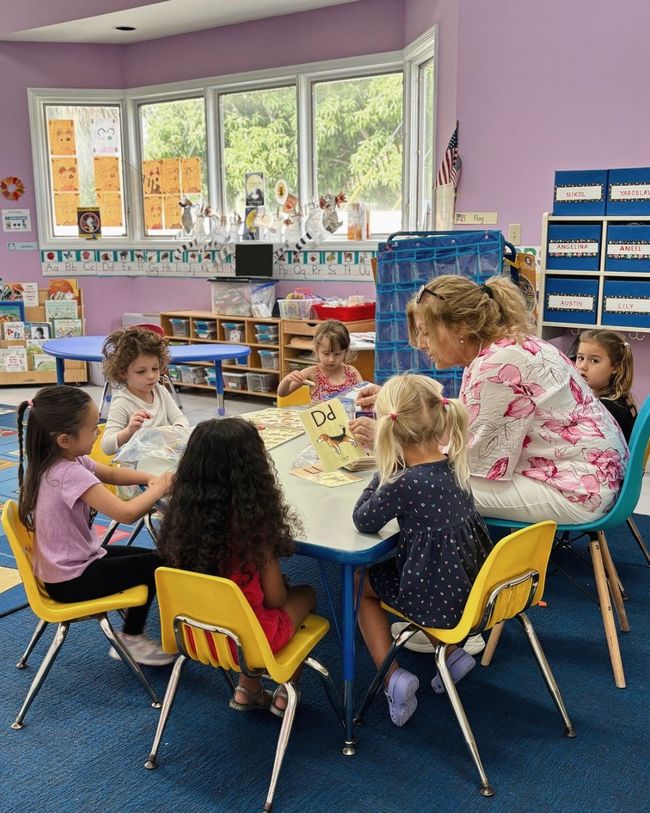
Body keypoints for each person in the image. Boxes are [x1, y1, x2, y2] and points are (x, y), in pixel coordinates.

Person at [351, 274, 628, 525]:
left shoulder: (495, 366)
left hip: (579, 490)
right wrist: (401, 405)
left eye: (427, 332)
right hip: (598, 477)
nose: (422, 344)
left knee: (422, 487)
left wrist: (393, 436)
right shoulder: (512, 346)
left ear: (459, 328)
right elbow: (471, 421)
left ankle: (430, 569)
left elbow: (467, 461)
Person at [352, 375, 493, 727]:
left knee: (359, 583)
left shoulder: (402, 482)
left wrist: (384, 471)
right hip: (474, 590)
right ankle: (454, 655)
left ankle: (393, 678)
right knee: (433, 571)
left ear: (389, 431)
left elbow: (363, 519)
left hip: (436, 602)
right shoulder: (455, 466)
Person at [157, 417, 316, 716]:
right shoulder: (254, 528)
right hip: (249, 640)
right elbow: (276, 599)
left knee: (244, 604)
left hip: (194, 633)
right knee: (306, 594)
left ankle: (248, 689)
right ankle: (285, 691)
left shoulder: (181, 519)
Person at [17, 385, 174, 666]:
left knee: (154, 559)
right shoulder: (69, 474)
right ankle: (132, 637)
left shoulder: (58, 460)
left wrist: (149, 477)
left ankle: (133, 633)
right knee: (155, 567)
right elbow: (126, 514)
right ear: (64, 439)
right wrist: (159, 487)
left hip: (68, 567)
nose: (98, 432)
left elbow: (111, 473)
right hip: (72, 580)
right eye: (92, 429)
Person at [101, 327, 189, 455]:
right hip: (137, 466)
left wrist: (176, 430)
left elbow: (180, 418)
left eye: (155, 368)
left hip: (162, 457)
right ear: (123, 373)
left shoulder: (160, 391)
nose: (151, 376)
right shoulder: (122, 402)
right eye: (141, 371)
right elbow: (106, 447)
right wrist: (129, 431)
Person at [277, 319, 362, 401]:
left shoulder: (352, 372)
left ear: (346, 352)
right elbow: (282, 393)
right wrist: (287, 380)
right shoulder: (311, 373)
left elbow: (364, 394)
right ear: (317, 350)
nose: (331, 359)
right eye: (326, 353)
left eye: (337, 354)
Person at [576, 329, 637, 442]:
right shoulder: (619, 398)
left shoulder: (606, 408)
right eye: (580, 358)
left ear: (615, 368)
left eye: (594, 360)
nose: (583, 366)